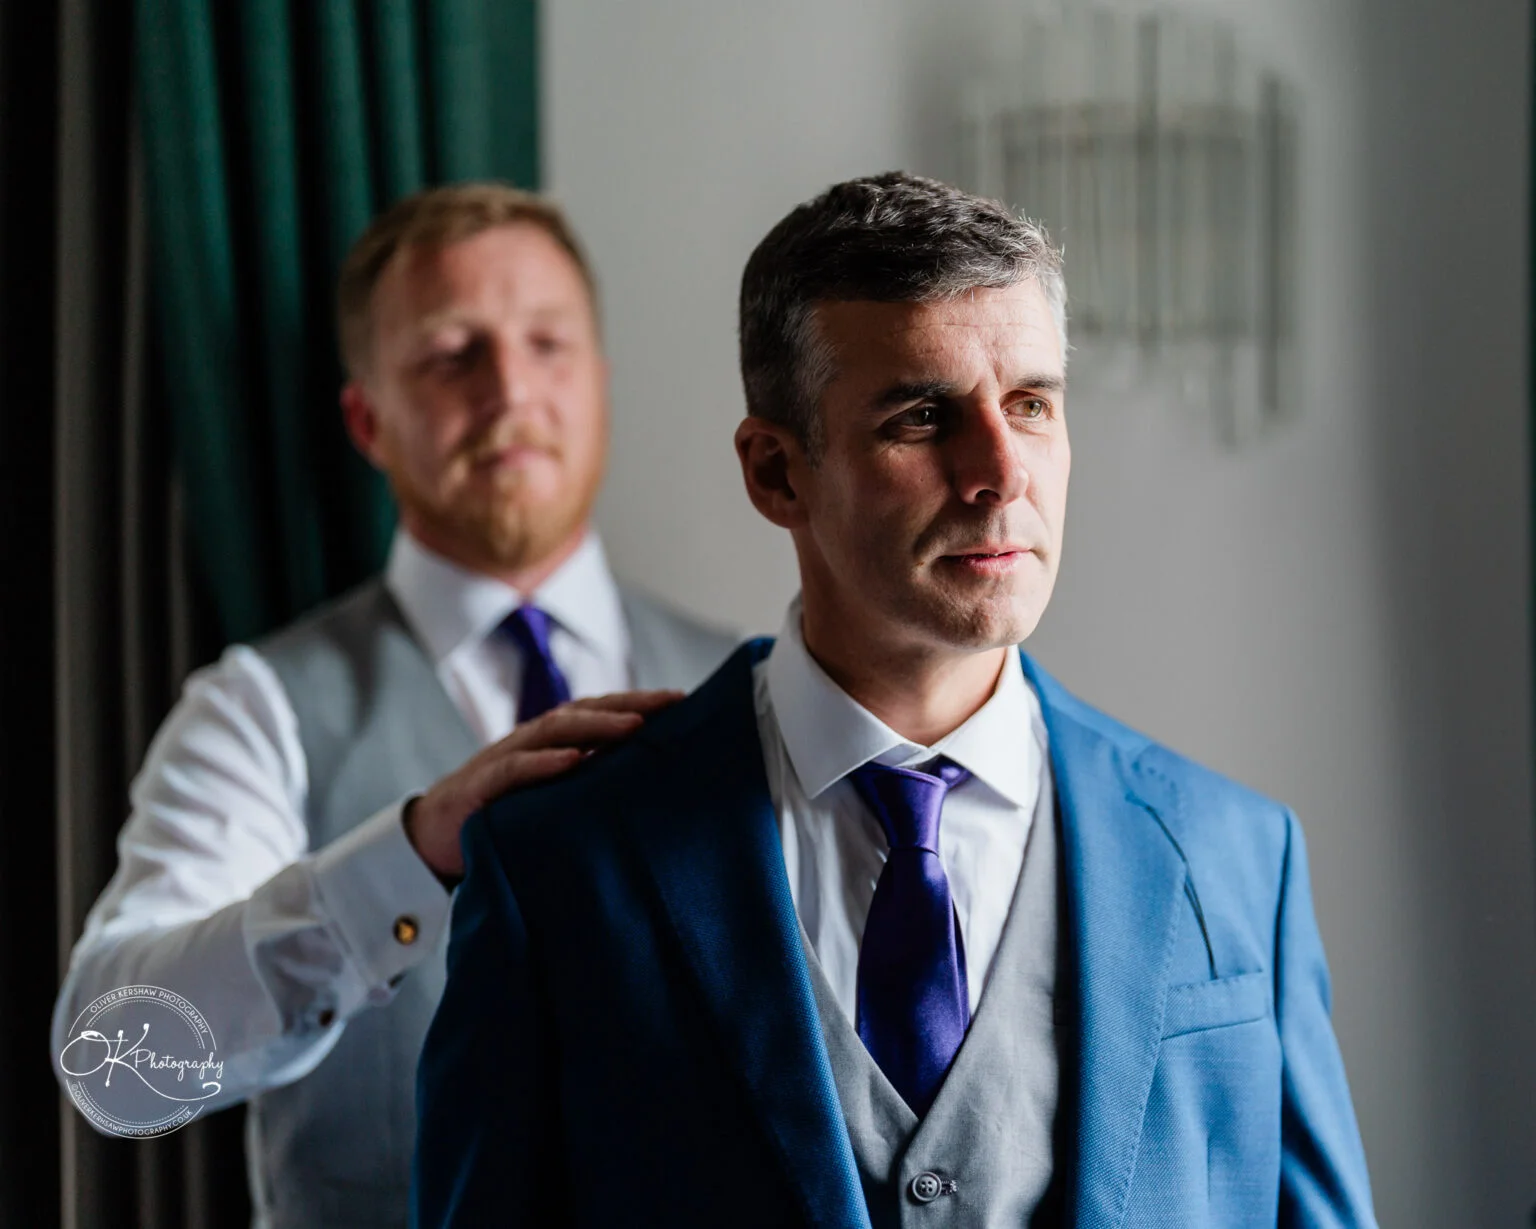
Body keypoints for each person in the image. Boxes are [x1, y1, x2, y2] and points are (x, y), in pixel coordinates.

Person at [413, 172, 1378, 1227]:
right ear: (776, 473)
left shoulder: (1240, 856)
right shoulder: (562, 859)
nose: (1002, 473)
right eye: (922, 417)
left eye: (1032, 404)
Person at [49, 182, 735, 1229]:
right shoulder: (255, 708)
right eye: (452, 354)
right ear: (368, 419)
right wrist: (407, 858)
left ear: (597, 381)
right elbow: (116, 1066)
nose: (510, 391)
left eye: (546, 344)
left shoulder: (749, 688)